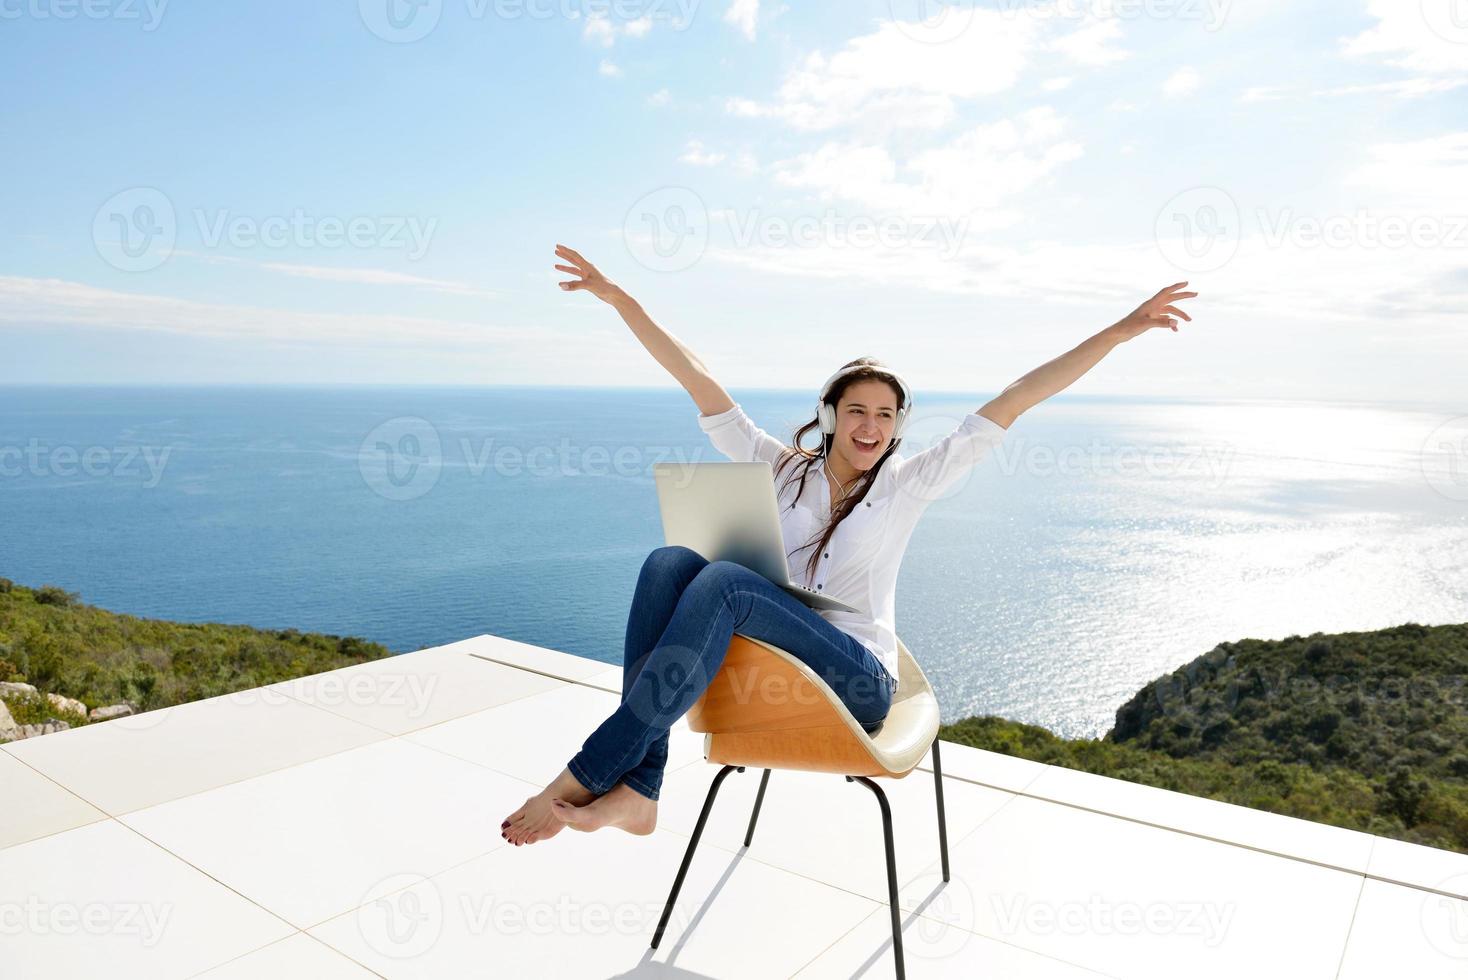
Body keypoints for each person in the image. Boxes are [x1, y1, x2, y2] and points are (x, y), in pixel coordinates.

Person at [500, 244, 1198, 845]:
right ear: (831, 416)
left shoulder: (908, 484)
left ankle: (589, 772)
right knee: (670, 564)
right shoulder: (779, 466)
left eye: (886, 417)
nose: (871, 427)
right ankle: (642, 788)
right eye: (857, 411)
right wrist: (620, 298)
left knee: (725, 583)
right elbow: (694, 374)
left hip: (858, 681)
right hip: (782, 656)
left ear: (897, 429)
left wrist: (1122, 330)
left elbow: (1015, 398)